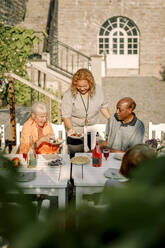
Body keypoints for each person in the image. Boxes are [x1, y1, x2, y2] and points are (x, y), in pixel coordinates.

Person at [62, 68, 110, 155]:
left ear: (90, 83)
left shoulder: (98, 90)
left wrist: (111, 120)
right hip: (75, 130)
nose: (82, 89)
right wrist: (70, 129)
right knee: (76, 156)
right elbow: (66, 115)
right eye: (79, 86)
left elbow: (103, 106)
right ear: (75, 84)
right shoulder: (68, 94)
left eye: (85, 86)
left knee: (93, 155)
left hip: (92, 129)